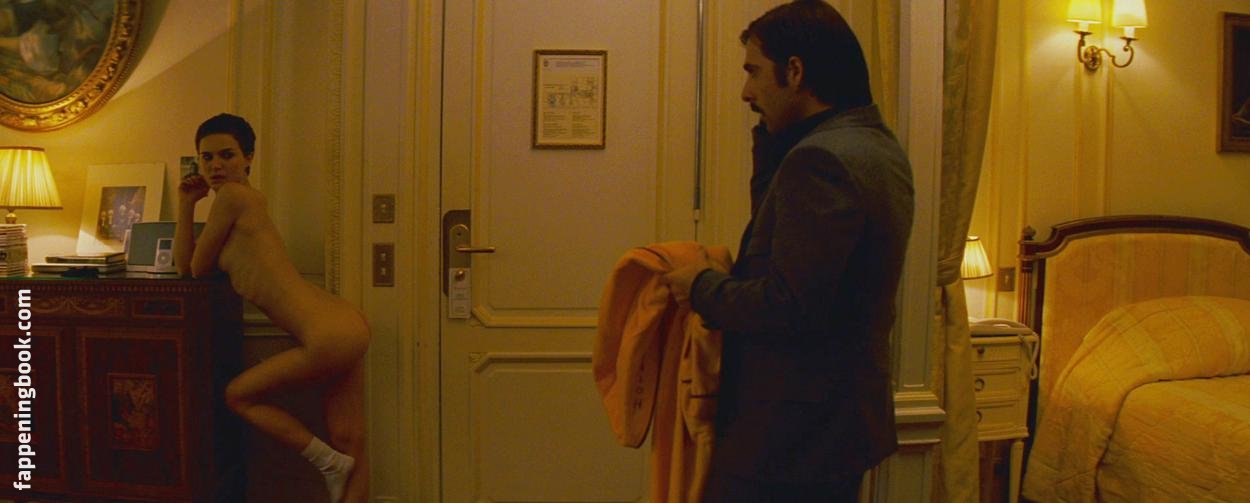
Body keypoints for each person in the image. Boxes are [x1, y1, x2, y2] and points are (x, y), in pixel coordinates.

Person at [662, 1, 915, 501]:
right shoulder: (873, 145)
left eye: (754, 72)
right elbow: (778, 242)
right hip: (831, 430)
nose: (746, 91)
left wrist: (701, 287)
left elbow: (790, 303)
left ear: (795, 72)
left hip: (788, 439)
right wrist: (771, 134)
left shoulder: (821, 160)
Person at [175, 113, 371, 503]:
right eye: (206, 157)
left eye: (227, 155)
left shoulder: (233, 197)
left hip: (327, 334)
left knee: (238, 395)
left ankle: (326, 462)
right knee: (348, 438)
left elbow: (195, 269)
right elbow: (186, 266)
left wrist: (187, 207)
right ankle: (337, 468)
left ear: (248, 157)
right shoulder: (245, 204)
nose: (215, 166)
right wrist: (185, 204)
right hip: (343, 323)